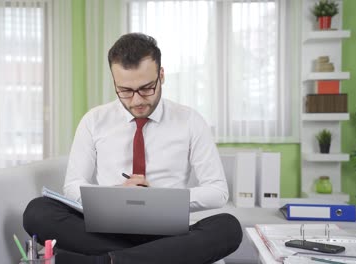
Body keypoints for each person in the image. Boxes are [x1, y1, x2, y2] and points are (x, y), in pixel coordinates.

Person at [23, 33, 242, 264]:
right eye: (125, 91)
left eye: (147, 88)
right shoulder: (94, 121)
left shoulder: (190, 121)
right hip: (110, 231)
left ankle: (106, 261)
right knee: (38, 211)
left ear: (162, 76)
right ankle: (149, 258)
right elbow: (73, 186)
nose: (136, 100)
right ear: (114, 83)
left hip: (168, 232)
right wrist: (117, 194)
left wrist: (159, 199)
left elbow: (218, 191)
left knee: (228, 227)